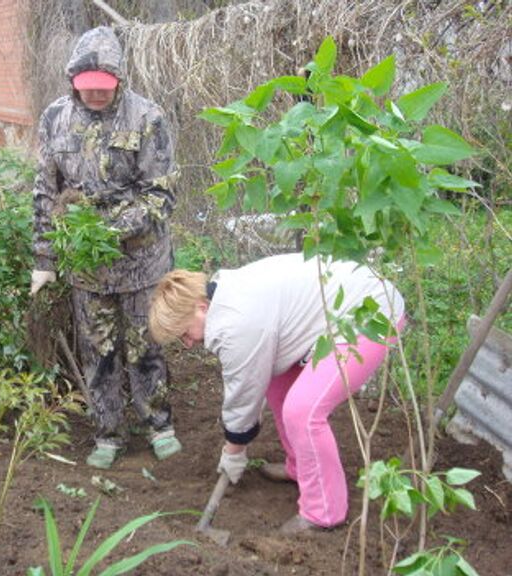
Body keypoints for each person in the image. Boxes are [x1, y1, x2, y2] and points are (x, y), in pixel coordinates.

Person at [149, 253, 406, 534]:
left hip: (369, 312)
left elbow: (243, 395)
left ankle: (324, 513)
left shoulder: (235, 324)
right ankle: (300, 467)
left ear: (201, 307)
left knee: (303, 411)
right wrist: (238, 441)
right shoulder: (225, 296)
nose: (187, 344)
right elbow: (255, 381)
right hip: (336, 313)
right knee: (277, 384)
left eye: (184, 333)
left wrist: (233, 450)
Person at [30, 26, 181, 469]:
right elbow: (44, 189)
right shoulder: (55, 118)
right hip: (87, 268)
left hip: (142, 262)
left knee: (145, 345)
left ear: (119, 81)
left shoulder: (147, 118)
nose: (95, 96)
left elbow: (161, 195)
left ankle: (159, 425)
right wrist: (44, 258)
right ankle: (109, 433)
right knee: (99, 351)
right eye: (86, 88)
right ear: (73, 81)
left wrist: (107, 228)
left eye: (104, 88)